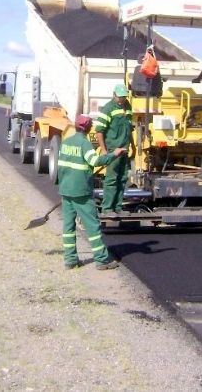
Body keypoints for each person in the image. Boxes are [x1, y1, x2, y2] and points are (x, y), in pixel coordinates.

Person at [58, 115, 127, 270]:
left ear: (76, 126)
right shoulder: (85, 144)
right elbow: (95, 162)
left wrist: (64, 187)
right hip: (81, 192)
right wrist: (113, 154)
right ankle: (102, 260)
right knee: (93, 225)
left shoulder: (66, 143)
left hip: (66, 190)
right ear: (89, 128)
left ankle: (70, 259)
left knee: (68, 226)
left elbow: (61, 166)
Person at [94, 84, 134, 216]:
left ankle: (117, 208)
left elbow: (129, 129)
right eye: (120, 97)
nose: (122, 100)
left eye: (123, 97)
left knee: (122, 178)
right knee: (111, 179)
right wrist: (105, 151)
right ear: (114, 95)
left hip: (124, 149)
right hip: (113, 150)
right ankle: (107, 209)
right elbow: (99, 131)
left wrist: (132, 145)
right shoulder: (108, 109)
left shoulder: (128, 106)